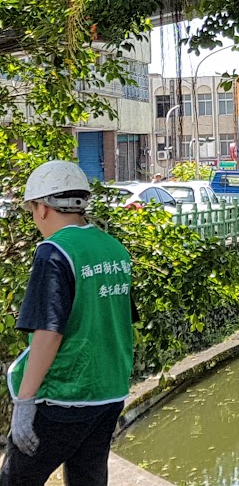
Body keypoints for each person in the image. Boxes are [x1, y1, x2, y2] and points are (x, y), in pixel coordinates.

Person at [2, 161, 134, 486]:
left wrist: (25, 401)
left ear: (42, 207)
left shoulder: (54, 251)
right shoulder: (113, 248)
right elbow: (118, 319)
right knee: (87, 479)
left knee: (16, 479)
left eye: (32, 210)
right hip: (108, 394)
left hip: (64, 396)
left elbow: (48, 332)